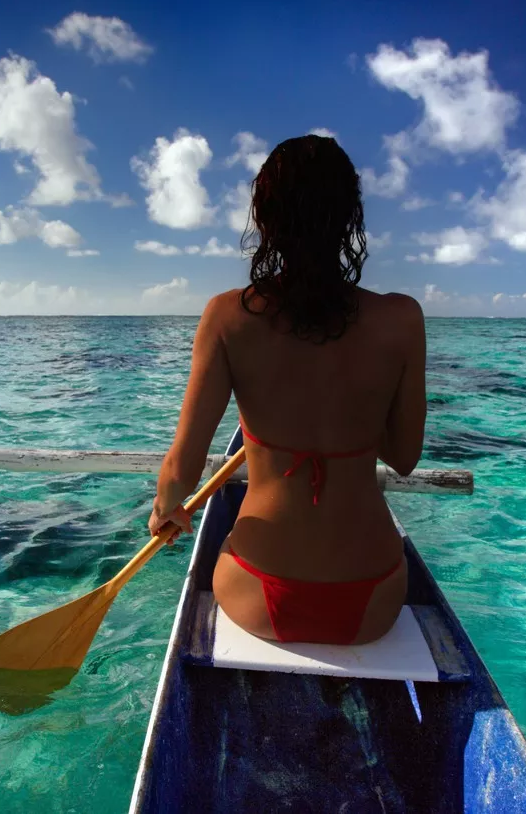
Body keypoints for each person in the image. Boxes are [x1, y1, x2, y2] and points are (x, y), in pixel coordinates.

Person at [147, 135, 427, 646]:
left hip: (258, 589)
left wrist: (165, 507)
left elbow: (181, 470)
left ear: (265, 216)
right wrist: (357, 409)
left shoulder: (227, 317)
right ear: (349, 217)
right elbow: (405, 457)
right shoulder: (402, 319)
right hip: (375, 597)